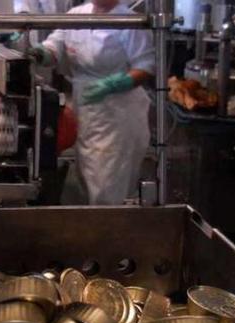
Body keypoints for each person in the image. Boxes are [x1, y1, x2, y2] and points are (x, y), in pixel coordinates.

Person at [28, 0, 154, 205]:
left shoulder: (130, 21)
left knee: (107, 187)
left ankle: (109, 232)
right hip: (85, 110)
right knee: (87, 179)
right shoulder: (77, 14)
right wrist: (40, 53)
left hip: (118, 116)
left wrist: (114, 84)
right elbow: (55, 47)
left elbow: (145, 67)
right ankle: (96, 229)